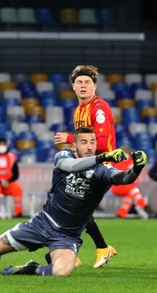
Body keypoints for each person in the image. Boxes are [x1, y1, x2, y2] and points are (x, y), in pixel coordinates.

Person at [0, 126, 148, 276]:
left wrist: (137, 168)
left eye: (92, 142)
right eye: (84, 142)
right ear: (74, 146)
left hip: (66, 236)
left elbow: (124, 178)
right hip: (40, 224)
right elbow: (71, 166)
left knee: (60, 272)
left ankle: (33, 268)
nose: (89, 146)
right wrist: (102, 157)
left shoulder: (102, 170)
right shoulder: (64, 156)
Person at [53, 65, 117, 268]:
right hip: (87, 165)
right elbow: (83, 146)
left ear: (95, 86)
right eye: (79, 82)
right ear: (73, 86)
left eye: (87, 82)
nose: (83, 86)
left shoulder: (99, 109)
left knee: (77, 206)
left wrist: (70, 138)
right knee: (77, 206)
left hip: (102, 167)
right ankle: (94, 249)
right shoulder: (79, 110)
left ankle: (85, 250)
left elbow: (102, 141)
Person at [110, 145, 153, 219]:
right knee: (134, 190)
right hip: (117, 186)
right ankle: (144, 206)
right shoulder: (117, 162)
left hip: (128, 187)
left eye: (127, 152)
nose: (126, 154)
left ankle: (121, 213)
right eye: (124, 152)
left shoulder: (132, 162)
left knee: (131, 195)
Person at [0, 138, 23, 218]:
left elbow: (16, 174)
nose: (2, 146)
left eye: (3, 144)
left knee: (17, 188)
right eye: (0, 144)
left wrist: (8, 181)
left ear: (6, 145)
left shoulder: (12, 157)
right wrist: (0, 182)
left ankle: (18, 213)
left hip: (8, 183)